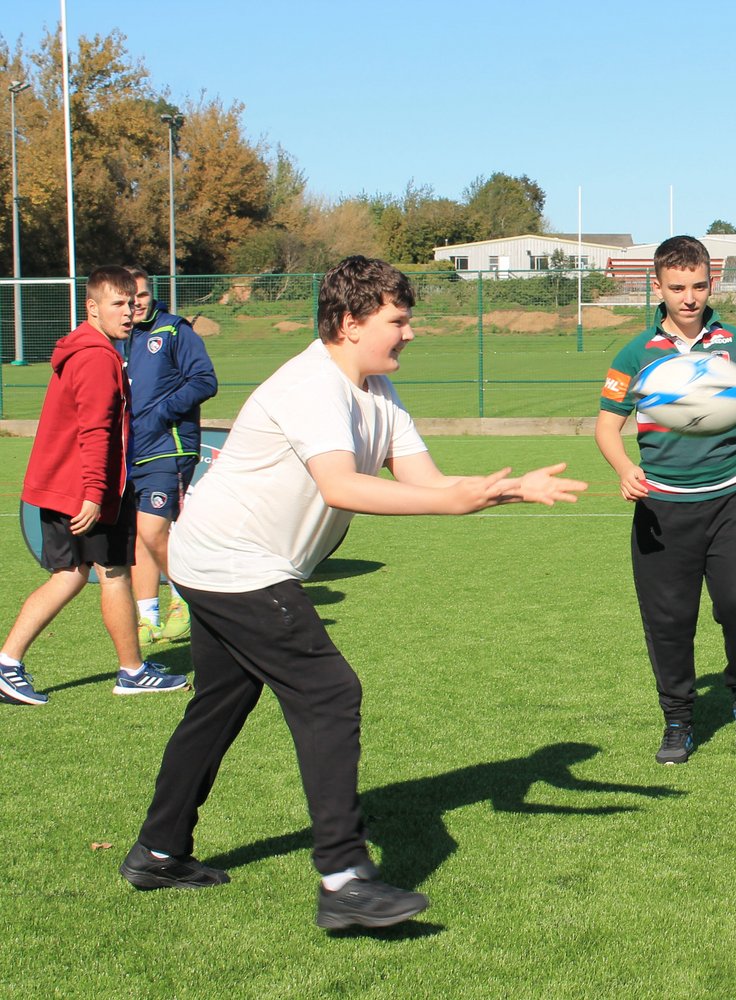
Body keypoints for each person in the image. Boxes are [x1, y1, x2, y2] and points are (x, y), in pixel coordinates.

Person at [119, 256, 586, 930]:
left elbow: (426, 478)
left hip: (220, 561)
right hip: (235, 564)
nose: (410, 334)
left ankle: (157, 852)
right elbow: (341, 486)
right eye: (398, 321)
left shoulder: (376, 392)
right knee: (330, 690)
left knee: (219, 705)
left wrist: (506, 488)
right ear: (349, 321)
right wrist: (454, 506)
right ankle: (342, 877)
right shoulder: (314, 386)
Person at [594, 235, 736, 764]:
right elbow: (607, 427)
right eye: (677, 287)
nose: (689, 297)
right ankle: (677, 719)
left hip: (730, 499)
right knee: (669, 619)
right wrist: (625, 468)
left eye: (698, 285)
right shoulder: (635, 352)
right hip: (661, 508)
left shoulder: (735, 344)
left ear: (710, 283)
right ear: (658, 287)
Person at [0, 266, 190, 706]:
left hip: (69, 488)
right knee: (115, 574)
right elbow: (95, 432)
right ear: (92, 307)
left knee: (70, 575)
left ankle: (8, 663)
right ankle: (132, 672)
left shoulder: (94, 350)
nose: (129, 312)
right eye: (118, 304)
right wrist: (92, 493)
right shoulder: (96, 356)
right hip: (83, 493)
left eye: (133, 303)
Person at [122, 267, 218, 646]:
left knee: (152, 529)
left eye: (141, 295)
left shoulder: (174, 330)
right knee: (140, 538)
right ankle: (148, 619)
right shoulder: (119, 337)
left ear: (152, 294)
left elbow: (205, 380)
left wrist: (161, 414)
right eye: (129, 299)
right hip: (134, 452)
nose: (136, 304)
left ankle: (187, 600)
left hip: (170, 445)